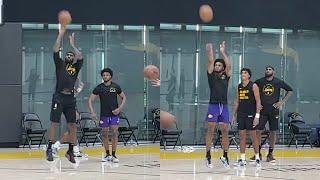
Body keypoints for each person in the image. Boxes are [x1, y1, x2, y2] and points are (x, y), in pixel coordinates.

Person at [46, 26, 83, 164]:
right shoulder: (60, 64)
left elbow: (80, 56)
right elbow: (55, 50)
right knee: (54, 123)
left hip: (70, 99)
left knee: (73, 125)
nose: (69, 56)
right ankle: (49, 148)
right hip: (59, 97)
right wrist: (60, 35)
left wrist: (73, 45)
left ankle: (70, 151)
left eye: (70, 55)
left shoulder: (76, 67)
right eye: (67, 55)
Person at [251, 66, 293, 163]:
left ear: (274, 72)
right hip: (262, 110)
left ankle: (270, 154)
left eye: (270, 69)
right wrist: (257, 103)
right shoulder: (259, 81)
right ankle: (258, 154)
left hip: (274, 110)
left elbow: (290, 91)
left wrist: (281, 102)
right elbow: (252, 91)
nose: (268, 70)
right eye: (266, 69)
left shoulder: (278, 82)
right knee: (258, 131)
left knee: (273, 131)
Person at [88, 68, 126, 163]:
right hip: (104, 115)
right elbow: (90, 100)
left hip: (114, 114)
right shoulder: (99, 87)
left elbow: (124, 97)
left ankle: (113, 154)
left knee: (114, 132)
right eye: (104, 75)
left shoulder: (116, 86)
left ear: (111, 76)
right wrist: (92, 112)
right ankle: (107, 154)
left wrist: (119, 109)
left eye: (107, 75)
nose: (105, 76)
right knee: (104, 134)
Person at [205, 41, 232, 168]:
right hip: (213, 105)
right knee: (211, 129)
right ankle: (208, 154)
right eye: (216, 65)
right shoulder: (211, 75)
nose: (217, 66)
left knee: (225, 130)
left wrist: (222, 52)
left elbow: (229, 65)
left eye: (219, 65)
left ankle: (225, 155)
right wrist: (210, 51)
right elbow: (210, 61)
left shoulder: (226, 75)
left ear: (222, 67)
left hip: (224, 106)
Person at [52, 78, 87, 159]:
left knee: (72, 131)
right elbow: (77, 90)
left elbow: (77, 91)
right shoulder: (64, 89)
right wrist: (79, 83)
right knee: (71, 131)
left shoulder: (69, 88)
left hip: (71, 111)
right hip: (67, 113)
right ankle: (56, 146)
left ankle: (75, 150)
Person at [233, 68, 262, 167]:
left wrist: (257, 116)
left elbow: (258, 101)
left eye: (245, 73)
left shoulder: (253, 86)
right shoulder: (239, 86)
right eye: (242, 73)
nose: (243, 74)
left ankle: (257, 157)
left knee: (253, 136)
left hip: (251, 114)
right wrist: (234, 115)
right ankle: (242, 158)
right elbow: (237, 101)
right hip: (241, 113)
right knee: (242, 136)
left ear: (249, 75)